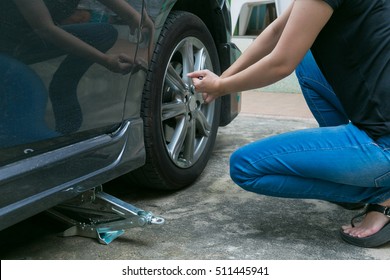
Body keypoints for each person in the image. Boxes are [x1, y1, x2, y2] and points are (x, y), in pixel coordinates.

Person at [188, 0, 390, 248]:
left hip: (384, 143)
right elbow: (277, 31)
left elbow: (281, 63)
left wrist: (222, 87)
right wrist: (223, 80)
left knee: (245, 167)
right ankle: (356, 166)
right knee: (304, 55)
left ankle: (381, 192)